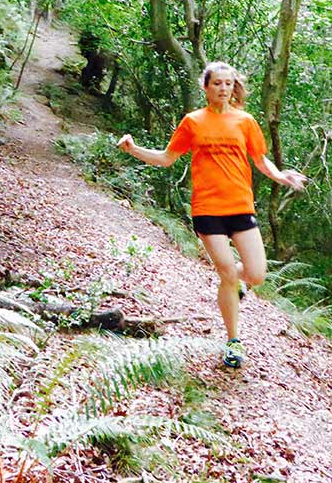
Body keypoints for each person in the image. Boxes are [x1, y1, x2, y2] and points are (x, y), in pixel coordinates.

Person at [117, 62, 306, 368]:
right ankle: (233, 342)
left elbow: (261, 160)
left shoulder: (245, 121)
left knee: (256, 274)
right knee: (227, 273)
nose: (223, 88)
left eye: (228, 83)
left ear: (234, 87)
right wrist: (133, 149)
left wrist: (282, 176)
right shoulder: (193, 121)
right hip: (207, 209)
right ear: (206, 87)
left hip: (240, 206)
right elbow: (167, 158)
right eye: (217, 83)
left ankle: (236, 286)